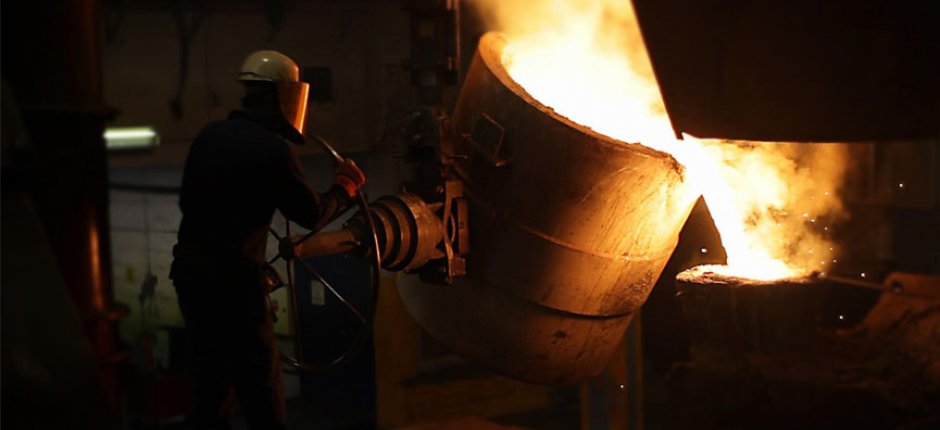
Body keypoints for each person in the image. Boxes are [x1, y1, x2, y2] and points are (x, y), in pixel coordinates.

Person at [169, 50, 365, 430]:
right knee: (263, 395)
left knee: (212, 392)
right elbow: (311, 215)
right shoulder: (272, 150)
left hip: (191, 284)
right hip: (235, 292)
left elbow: (187, 203)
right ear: (282, 96)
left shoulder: (209, 136)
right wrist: (345, 187)